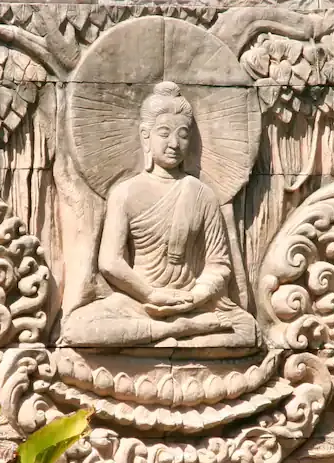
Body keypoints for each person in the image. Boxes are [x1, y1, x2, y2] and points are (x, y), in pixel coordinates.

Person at [60, 82, 258, 350]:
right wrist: (150, 294)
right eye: (164, 133)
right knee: (76, 328)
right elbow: (110, 262)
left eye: (183, 135)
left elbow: (218, 264)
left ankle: (174, 328)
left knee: (248, 330)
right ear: (145, 136)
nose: (174, 143)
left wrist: (195, 296)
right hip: (138, 302)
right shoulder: (125, 193)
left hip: (192, 302)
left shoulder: (202, 194)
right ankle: (177, 329)